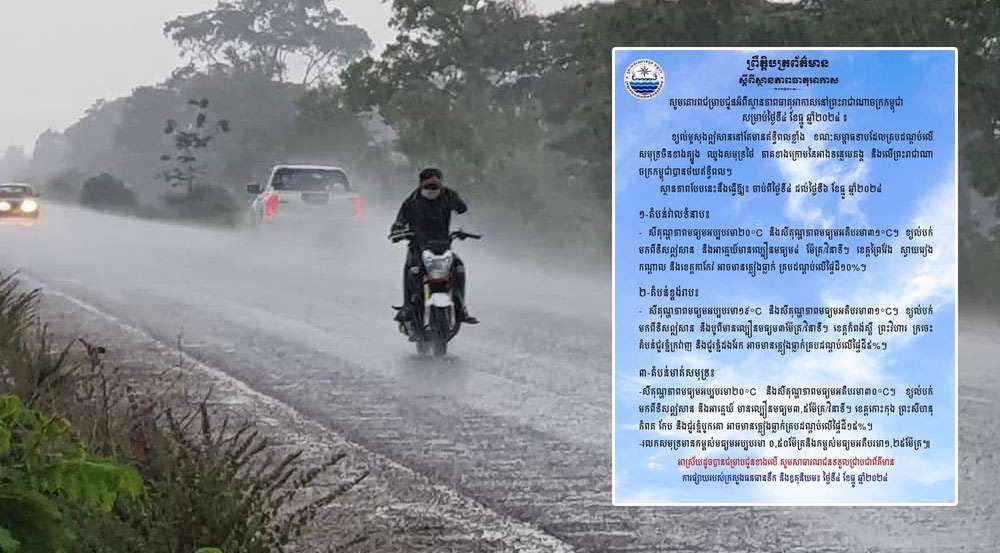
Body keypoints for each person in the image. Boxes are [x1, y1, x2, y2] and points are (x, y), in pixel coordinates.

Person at [390, 168, 478, 325]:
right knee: (412, 269)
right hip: (418, 247)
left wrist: (463, 230)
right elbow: (400, 220)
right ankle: (408, 306)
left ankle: (460, 307)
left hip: (443, 247)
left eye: (436, 186)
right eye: (428, 186)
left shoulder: (448, 196)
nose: (432, 190)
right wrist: (398, 230)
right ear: (420, 184)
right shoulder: (412, 201)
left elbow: (463, 210)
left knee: (458, 267)